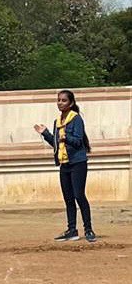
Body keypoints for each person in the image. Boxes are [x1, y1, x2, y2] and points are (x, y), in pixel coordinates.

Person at [34, 89, 95, 242]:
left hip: (78, 163)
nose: (60, 103)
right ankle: (72, 230)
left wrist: (65, 136)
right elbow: (56, 143)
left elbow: (77, 141)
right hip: (64, 164)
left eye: (64, 100)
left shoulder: (76, 119)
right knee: (68, 198)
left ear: (71, 103)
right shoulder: (58, 121)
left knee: (79, 195)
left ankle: (88, 229)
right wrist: (46, 133)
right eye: (59, 100)